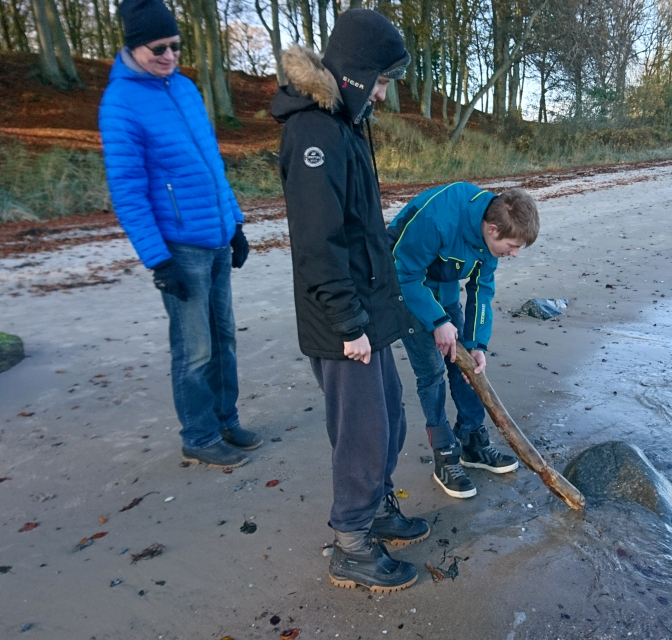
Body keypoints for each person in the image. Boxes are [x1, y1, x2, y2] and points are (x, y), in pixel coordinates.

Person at [271, 9, 429, 593]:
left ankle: (380, 507)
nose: (384, 95)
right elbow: (318, 243)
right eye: (382, 81)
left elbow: (360, 228)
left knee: (388, 415)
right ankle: (353, 543)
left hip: (367, 311)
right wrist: (348, 322)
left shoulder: (344, 122)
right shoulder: (314, 132)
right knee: (361, 431)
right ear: (358, 74)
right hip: (343, 320)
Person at [98, 0, 261, 471]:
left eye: (175, 46)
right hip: (179, 246)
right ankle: (199, 434)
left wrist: (235, 226)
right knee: (195, 349)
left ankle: (226, 420)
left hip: (214, 236)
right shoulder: (120, 103)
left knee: (224, 337)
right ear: (133, 46)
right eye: (158, 48)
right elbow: (127, 192)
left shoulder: (186, 88)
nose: (169, 55)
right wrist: (157, 259)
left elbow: (213, 166)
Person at [388, 183, 540, 498]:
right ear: (493, 229)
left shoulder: (490, 235)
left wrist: (476, 344)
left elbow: (482, 290)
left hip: (441, 283)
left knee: (466, 366)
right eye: (512, 246)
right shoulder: (439, 218)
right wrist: (439, 321)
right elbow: (404, 273)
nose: (513, 254)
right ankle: (444, 454)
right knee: (431, 371)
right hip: (403, 282)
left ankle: (471, 440)